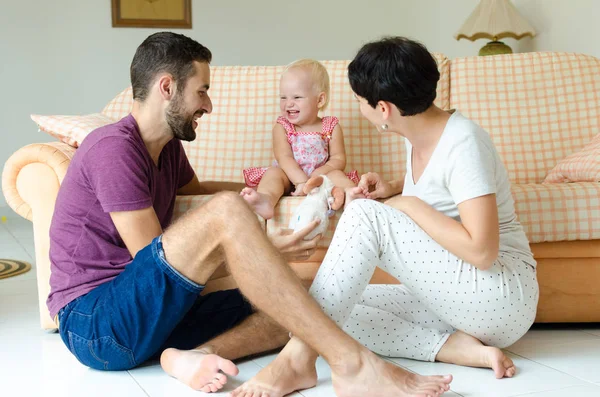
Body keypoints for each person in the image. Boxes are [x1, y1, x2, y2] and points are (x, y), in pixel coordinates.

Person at [48, 32, 452, 397]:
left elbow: (197, 190)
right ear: (167, 88)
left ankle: (190, 356)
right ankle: (353, 364)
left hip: (156, 320)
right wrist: (257, 253)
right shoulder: (113, 150)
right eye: (201, 91)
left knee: (302, 297)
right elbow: (155, 265)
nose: (208, 104)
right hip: (98, 324)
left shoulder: (167, 147)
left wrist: (276, 191)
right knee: (230, 214)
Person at [232, 36, 539, 397]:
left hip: (501, 296)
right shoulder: (420, 134)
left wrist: (406, 206)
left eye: (361, 101)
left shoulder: (464, 144)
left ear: (383, 109)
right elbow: (443, 200)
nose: (358, 107)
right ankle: (451, 347)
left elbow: (482, 251)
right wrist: (394, 190)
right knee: (317, 308)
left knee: (363, 217)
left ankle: (296, 362)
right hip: (456, 303)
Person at [240, 59, 358, 220]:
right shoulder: (282, 127)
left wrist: (318, 174)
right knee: (274, 173)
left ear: (320, 100)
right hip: (289, 179)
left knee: (337, 174)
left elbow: (338, 159)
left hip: (322, 178)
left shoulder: (330, 126)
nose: (288, 104)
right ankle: (265, 199)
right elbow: (284, 158)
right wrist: (301, 181)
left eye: (296, 97)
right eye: (283, 97)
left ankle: (355, 199)